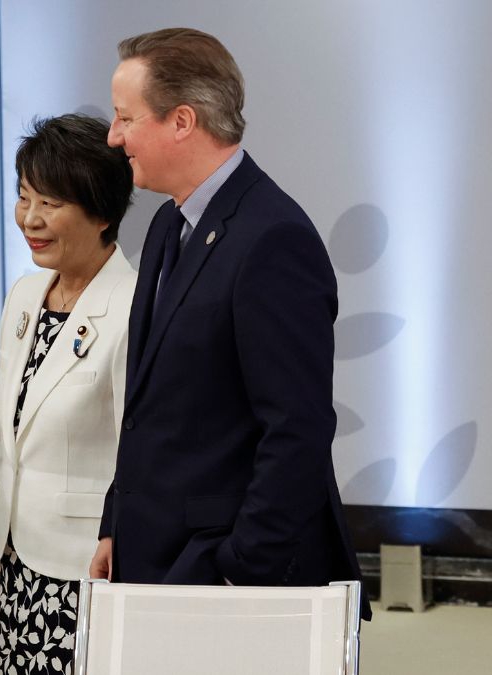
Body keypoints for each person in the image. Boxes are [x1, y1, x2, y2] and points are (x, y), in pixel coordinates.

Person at [89, 27, 370, 619]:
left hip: (224, 575)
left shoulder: (273, 240)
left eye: (124, 119)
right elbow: (148, 406)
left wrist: (245, 568)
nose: (114, 138)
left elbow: (297, 427)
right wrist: (118, 523)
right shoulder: (168, 224)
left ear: (182, 121)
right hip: (156, 556)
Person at [0, 115, 135, 674]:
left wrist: (123, 538)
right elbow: (8, 441)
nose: (30, 219)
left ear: (102, 213)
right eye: (24, 198)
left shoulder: (134, 306)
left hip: (88, 563)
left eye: (51, 203)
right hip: (20, 557)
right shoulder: (24, 294)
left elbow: (137, 450)